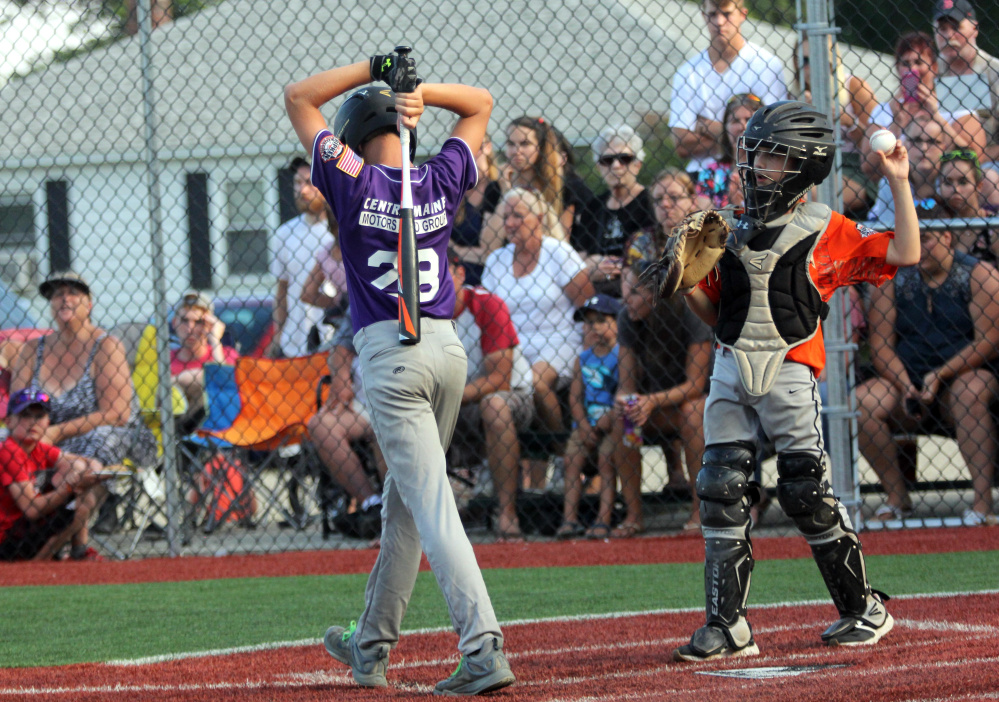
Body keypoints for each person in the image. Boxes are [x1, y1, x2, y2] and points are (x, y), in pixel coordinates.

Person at [284, 50, 514, 694]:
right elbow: (482, 104)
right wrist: (423, 92)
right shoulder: (438, 176)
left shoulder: (354, 177)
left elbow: (299, 96)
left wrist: (372, 69)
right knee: (405, 507)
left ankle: (483, 647)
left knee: (432, 504)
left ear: (353, 135)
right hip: (446, 349)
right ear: (407, 126)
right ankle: (370, 645)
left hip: (391, 353)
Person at [673, 101, 918, 661]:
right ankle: (726, 625)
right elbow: (718, 315)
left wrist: (899, 183)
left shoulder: (825, 227)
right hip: (730, 367)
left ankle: (863, 609)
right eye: (755, 153)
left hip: (789, 371)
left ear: (806, 167)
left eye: (774, 157)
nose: (758, 165)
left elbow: (905, 252)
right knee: (719, 487)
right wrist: (686, 279)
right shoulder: (727, 227)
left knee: (805, 491)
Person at [856, 204, 999, 526]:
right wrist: (906, 384)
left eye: (928, 238)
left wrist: (941, 375)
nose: (920, 245)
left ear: (948, 237)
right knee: (861, 403)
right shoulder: (890, 277)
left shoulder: (979, 274)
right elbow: (879, 345)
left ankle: (981, 503)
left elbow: (990, 340)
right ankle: (897, 497)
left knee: (970, 390)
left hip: (961, 376)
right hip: (905, 381)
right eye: (912, 237)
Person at [10, 271, 156, 541]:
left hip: (117, 435)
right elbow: (16, 408)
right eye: (56, 294)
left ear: (89, 304)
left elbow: (118, 414)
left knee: (100, 440)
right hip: (47, 439)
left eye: (73, 293)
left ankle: (67, 536)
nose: (64, 299)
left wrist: (57, 432)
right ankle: (31, 534)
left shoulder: (106, 346)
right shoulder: (32, 350)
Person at [482, 188, 595, 434]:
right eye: (505, 217)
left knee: (536, 382)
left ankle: (560, 446)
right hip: (513, 346)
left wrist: (590, 356)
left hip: (561, 340)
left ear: (540, 218)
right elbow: (486, 316)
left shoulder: (559, 253)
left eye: (518, 216)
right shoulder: (496, 261)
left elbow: (588, 307)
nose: (510, 223)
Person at [617, 262, 713, 536]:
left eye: (634, 292)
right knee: (625, 417)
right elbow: (626, 386)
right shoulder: (627, 317)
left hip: (698, 401)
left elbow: (695, 385)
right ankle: (634, 515)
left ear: (656, 294)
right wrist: (625, 400)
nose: (626, 299)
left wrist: (651, 401)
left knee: (692, 412)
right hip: (657, 407)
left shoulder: (689, 312)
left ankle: (699, 510)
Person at [446, 249, 535, 542]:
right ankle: (403, 524)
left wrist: (444, 399)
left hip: (511, 396)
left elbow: (500, 379)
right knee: (391, 414)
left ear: (460, 273)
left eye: (438, 271)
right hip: (454, 402)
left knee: (494, 406)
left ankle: (507, 513)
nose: (430, 281)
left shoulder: (486, 304)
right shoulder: (415, 314)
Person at [668, 0, 787, 177]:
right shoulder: (688, 72)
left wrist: (711, 128)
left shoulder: (766, 65)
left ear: (742, 15)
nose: (719, 22)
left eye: (727, 14)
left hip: (756, 172)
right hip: (701, 175)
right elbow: (681, 145)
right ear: (703, 16)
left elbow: (773, 135)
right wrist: (741, 134)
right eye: (712, 14)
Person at [307, 312, 385, 541]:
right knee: (321, 425)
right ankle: (371, 504)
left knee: (387, 427)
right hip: (360, 406)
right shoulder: (363, 300)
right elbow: (340, 351)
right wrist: (341, 379)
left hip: (400, 403)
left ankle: (399, 513)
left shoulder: (419, 296)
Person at [0, 389, 104, 561]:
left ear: (48, 422)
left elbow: (78, 462)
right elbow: (32, 510)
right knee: (81, 499)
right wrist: (71, 487)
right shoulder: (8, 450)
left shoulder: (38, 448)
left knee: (79, 478)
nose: (32, 422)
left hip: (24, 529)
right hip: (6, 538)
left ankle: (78, 552)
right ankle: (36, 566)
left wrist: (92, 469)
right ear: (9, 421)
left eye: (39, 416)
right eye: (25, 416)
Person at [864, 31, 984, 177]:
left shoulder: (957, 102)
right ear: (897, 68)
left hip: (946, 186)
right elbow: (867, 167)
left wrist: (938, 118)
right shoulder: (885, 110)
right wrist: (896, 125)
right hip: (897, 183)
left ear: (934, 67)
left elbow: (976, 157)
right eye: (905, 63)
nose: (912, 69)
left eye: (919, 62)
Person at [557, 294, 621, 540]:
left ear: (617, 323)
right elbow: (575, 398)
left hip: (611, 425)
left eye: (601, 320)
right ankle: (569, 519)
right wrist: (583, 426)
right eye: (589, 322)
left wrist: (607, 420)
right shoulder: (582, 359)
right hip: (585, 426)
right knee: (571, 459)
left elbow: (624, 392)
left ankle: (603, 519)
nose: (594, 327)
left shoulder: (621, 355)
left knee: (606, 458)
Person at [792, 36, 879, 218]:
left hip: (854, 167)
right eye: (805, 60)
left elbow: (876, 142)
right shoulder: (795, 96)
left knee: (808, 195)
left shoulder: (853, 86)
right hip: (812, 166)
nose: (812, 66)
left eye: (818, 58)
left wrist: (847, 121)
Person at [502, 116, 599, 250]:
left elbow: (561, 245)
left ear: (540, 148)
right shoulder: (498, 186)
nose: (516, 151)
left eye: (525, 144)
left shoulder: (566, 187)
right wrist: (506, 191)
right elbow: (490, 247)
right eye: (511, 144)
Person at [579, 125, 656, 295]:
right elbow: (578, 257)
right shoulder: (593, 206)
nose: (616, 165)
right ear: (599, 166)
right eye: (607, 160)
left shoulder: (651, 202)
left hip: (640, 289)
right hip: (596, 292)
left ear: (637, 165)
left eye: (625, 158)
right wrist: (589, 267)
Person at [267, 156, 332, 358]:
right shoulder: (284, 234)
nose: (302, 190)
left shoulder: (342, 232)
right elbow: (282, 290)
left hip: (334, 339)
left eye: (310, 183)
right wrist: (278, 335)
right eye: (297, 183)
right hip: (294, 346)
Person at [930, 0, 999, 163]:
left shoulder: (994, 71)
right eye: (942, 29)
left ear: (974, 28)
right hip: (936, 161)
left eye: (956, 27)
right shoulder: (929, 71)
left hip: (990, 162)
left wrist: (973, 161)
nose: (948, 35)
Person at [170, 291, 238, 431]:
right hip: (178, 431)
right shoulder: (166, 359)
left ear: (210, 324)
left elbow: (228, 387)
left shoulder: (226, 354)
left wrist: (215, 341)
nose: (190, 329)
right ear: (175, 323)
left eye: (199, 322)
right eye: (184, 320)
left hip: (222, 430)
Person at [868, 115, 953, 226]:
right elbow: (888, 232)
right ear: (905, 144)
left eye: (932, 141)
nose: (923, 148)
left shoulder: (951, 180)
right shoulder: (889, 182)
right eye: (916, 140)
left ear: (944, 147)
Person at [446, 134, 505, 287]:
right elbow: (442, 244)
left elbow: (492, 253)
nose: (467, 152)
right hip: (457, 281)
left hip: (494, 279)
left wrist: (457, 249)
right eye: (459, 148)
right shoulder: (452, 192)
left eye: (474, 146)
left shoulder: (498, 188)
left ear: (487, 147)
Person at [693, 92, 763, 210]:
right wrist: (732, 207)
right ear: (726, 127)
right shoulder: (710, 174)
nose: (743, 126)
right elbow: (703, 220)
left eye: (749, 119)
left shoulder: (773, 169)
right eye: (735, 121)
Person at [936, 148, 999, 263]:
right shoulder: (935, 224)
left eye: (963, 182)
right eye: (948, 182)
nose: (955, 189)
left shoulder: (994, 226)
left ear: (978, 186)